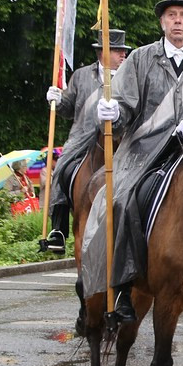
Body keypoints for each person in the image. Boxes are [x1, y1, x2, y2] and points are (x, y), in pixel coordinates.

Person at [89, 0, 183, 322]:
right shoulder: (139, 59)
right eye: (171, 15)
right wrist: (113, 111)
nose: (178, 21)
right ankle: (123, 284)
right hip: (146, 151)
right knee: (123, 200)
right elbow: (123, 104)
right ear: (162, 22)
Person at [43, 28, 131, 253]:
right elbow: (68, 108)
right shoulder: (82, 76)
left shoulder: (129, 77)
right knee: (62, 169)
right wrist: (57, 99)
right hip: (82, 138)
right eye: (118, 51)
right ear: (103, 52)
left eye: (123, 51)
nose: (123, 55)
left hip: (121, 139)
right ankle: (59, 229)